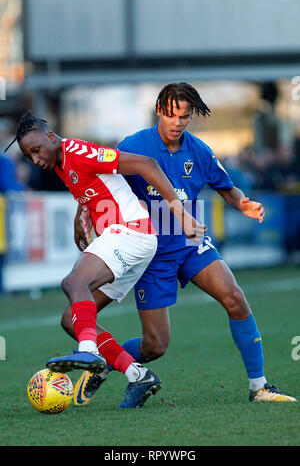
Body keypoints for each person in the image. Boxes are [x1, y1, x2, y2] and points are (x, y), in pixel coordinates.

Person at [65, 82, 296, 404]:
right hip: (150, 249)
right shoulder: (135, 144)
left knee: (234, 297)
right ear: (160, 111)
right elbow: (99, 175)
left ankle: (259, 387)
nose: (178, 122)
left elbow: (226, 187)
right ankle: (107, 364)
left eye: (184, 117)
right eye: (172, 115)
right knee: (154, 346)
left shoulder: (199, 150)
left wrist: (243, 203)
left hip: (189, 241)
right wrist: (83, 212)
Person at [5, 110, 206, 408]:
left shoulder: (77, 150)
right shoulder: (62, 162)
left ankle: (89, 351)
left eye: (36, 150)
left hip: (131, 232)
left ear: (50, 137)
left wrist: (180, 213)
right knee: (71, 319)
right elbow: (91, 185)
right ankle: (138, 374)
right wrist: (81, 213)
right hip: (129, 239)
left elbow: (146, 164)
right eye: (28, 156)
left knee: (74, 282)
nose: (35, 159)